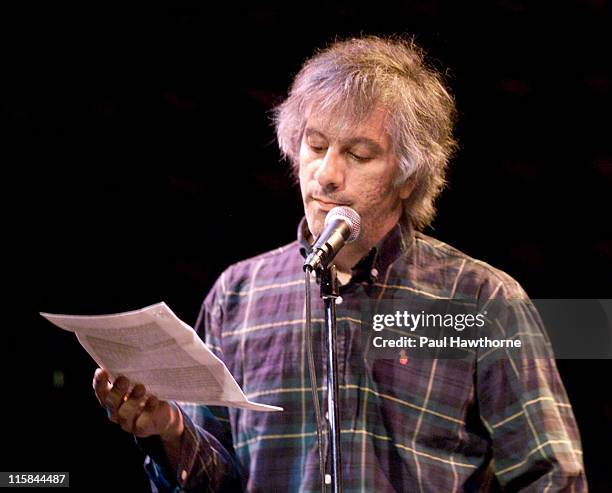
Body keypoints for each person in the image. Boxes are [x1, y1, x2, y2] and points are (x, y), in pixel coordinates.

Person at [93, 35, 586, 491]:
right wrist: (171, 432)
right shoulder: (238, 295)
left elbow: (550, 475)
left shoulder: (481, 300)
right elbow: (216, 478)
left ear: (408, 176)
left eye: (359, 153)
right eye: (316, 146)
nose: (326, 175)